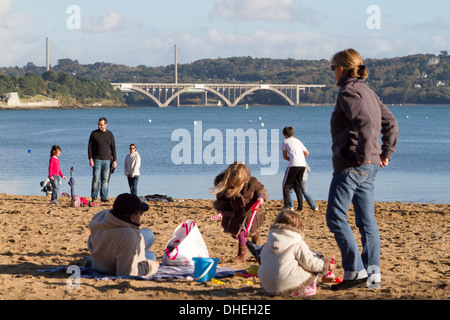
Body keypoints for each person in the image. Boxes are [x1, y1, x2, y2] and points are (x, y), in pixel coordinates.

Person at [326, 48, 399, 291]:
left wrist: (364, 155)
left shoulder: (347, 92)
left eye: (332, 69)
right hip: (369, 166)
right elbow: (391, 122)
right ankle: (372, 276)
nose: (332, 73)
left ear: (341, 69)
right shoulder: (367, 91)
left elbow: (366, 123)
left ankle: (354, 271)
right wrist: (384, 154)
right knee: (367, 222)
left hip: (352, 166)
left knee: (335, 217)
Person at [257, 209, 333, 297]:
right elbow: (310, 263)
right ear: (298, 225)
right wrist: (326, 265)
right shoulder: (297, 242)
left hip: (268, 286)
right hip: (288, 283)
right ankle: (305, 290)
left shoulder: (267, 244)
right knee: (312, 269)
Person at [87, 193, 159, 277]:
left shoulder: (102, 216)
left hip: (101, 253)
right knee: (151, 256)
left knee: (148, 233)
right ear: (132, 217)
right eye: (140, 214)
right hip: (110, 266)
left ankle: (89, 260)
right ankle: (89, 261)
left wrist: (139, 239)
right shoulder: (128, 237)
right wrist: (152, 266)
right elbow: (127, 273)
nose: (141, 217)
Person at [211, 162, 268, 263]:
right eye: (232, 182)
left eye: (236, 182)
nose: (233, 184)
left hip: (250, 213)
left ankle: (241, 256)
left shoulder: (252, 182)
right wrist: (220, 211)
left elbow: (261, 190)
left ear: (244, 179)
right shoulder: (226, 186)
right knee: (236, 234)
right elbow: (221, 200)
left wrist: (261, 198)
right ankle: (254, 235)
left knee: (242, 233)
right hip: (235, 214)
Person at [88, 117, 117, 203]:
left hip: (107, 160)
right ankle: (94, 196)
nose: (100, 126)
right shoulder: (94, 134)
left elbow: (113, 148)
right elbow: (89, 147)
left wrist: (115, 160)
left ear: (105, 124)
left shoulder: (110, 134)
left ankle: (104, 197)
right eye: (99, 124)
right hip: (96, 159)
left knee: (105, 179)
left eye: (101, 125)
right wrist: (90, 158)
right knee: (96, 178)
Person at [281, 127, 309, 211]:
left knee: (285, 185)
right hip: (302, 165)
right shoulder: (298, 141)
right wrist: (300, 159)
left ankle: (286, 206)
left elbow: (285, 156)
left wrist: (293, 159)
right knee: (298, 186)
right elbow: (307, 153)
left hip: (293, 165)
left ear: (285, 134)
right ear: (292, 133)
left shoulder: (285, 141)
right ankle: (300, 207)